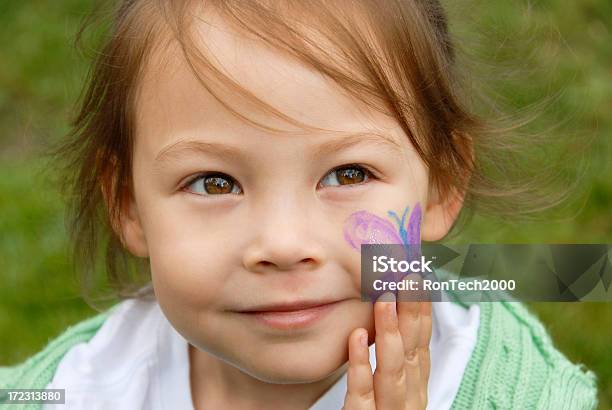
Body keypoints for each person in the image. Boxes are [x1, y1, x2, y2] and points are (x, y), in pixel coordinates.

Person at [0, 0, 598, 409]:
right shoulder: (68, 391)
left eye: (348, 172)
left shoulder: (521, 391)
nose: (283, 244)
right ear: (129, 206)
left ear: (440, 185)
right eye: (214, 183)